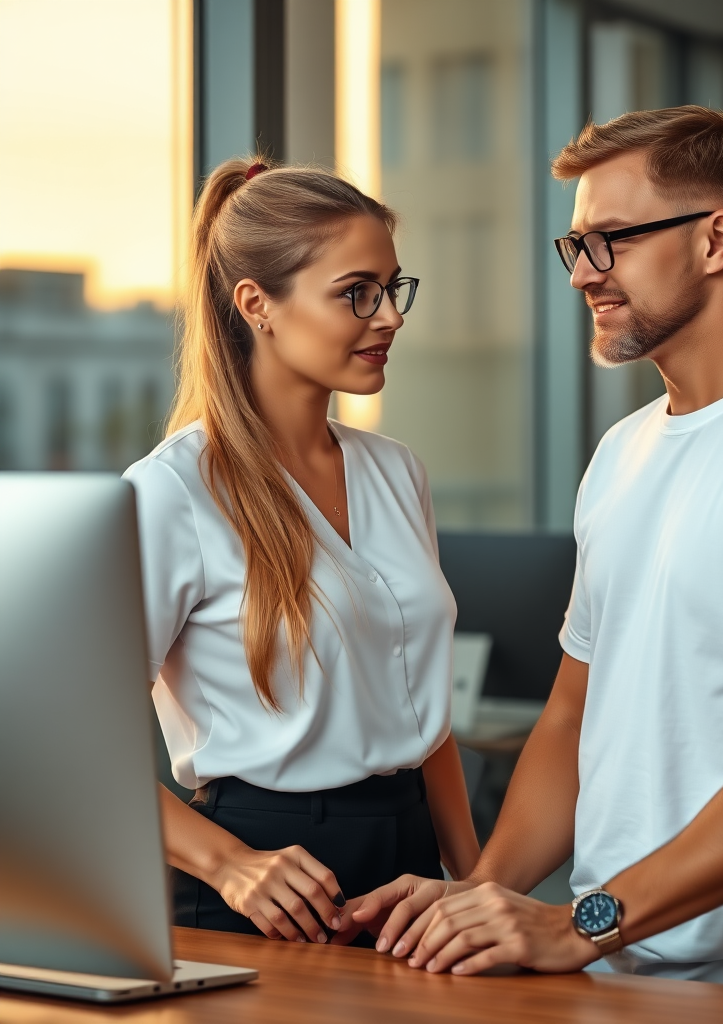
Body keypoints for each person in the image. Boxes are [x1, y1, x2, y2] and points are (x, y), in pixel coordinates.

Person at [338, 106, 723, 1000]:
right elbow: (574, 717)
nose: (584, 275)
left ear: (717, 240)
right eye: (574, 246)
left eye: (610, 241)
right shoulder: (622, 454)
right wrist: (477, 900)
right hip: (612, 979)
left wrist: (581, 923)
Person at [123, 158, 479, 947]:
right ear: (258, 305)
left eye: (394, 289)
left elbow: (427, 722)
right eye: (357, 292)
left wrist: (478, 884)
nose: (387, 316)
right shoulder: (174, 490)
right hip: (262, 883)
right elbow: (67, 740)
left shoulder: (396, 471)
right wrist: (228, 864)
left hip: (411, 870)